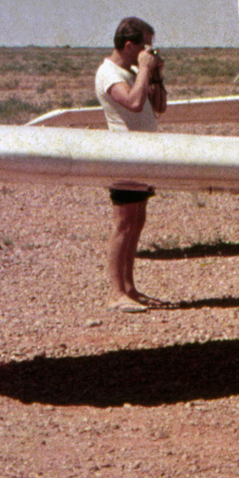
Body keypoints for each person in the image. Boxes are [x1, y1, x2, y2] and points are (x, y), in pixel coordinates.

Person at [95, 16, 168, 312]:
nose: (148, 52)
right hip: (123, 155)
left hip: (142, 155)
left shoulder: (135, 71)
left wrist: (156, 76)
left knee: (137, 220)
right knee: (124, 222)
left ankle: (129, 287)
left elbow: (159, 107)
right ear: (129, 44)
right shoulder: (108, 73)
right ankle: (116, 293)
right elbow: (134, 103)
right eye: (145, 46)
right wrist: (144, 73)